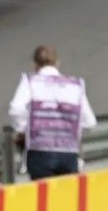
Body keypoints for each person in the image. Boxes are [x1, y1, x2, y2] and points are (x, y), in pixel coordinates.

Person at [8, 45, 96, 181]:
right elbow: (90, 123)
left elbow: (16, 109)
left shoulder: (30, 81)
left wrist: (25, 129)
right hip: (68, 154)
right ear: (57, 63)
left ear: (35, 65)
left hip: (40, 153)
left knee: (43, 199)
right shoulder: (75, 85)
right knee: (67, 199)